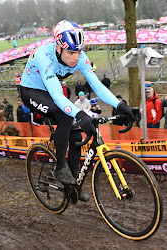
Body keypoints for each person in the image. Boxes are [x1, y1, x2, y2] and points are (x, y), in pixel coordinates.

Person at [20, 20, 136, 202]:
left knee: (76, 138)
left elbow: (97, 86)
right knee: (66, 116)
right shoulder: (44, 56)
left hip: (52, 92)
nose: (76, 57)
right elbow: (58, 96)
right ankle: (60, 167)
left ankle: (71, 186)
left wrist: (121, 106)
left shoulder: (80, 58)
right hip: (32, 92)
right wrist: (80, 114)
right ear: (58, 48)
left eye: (79, 51)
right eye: (71, 52)